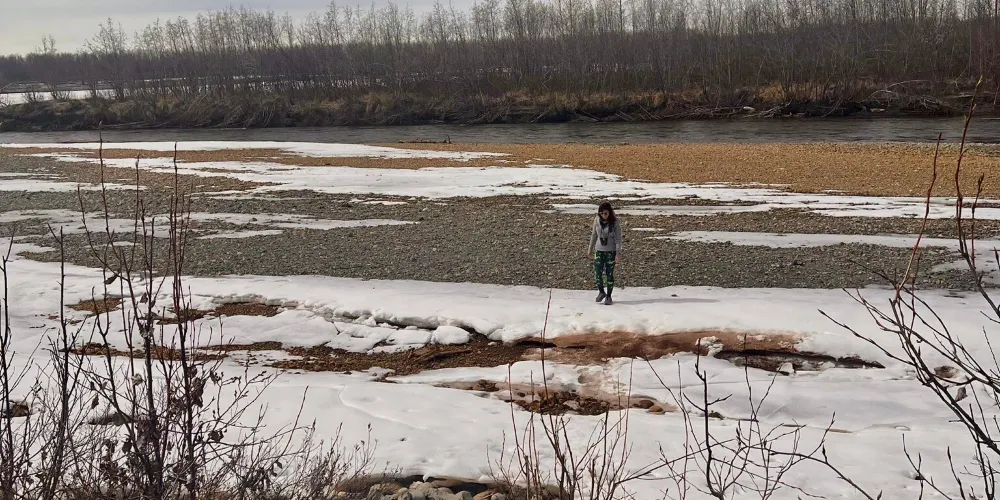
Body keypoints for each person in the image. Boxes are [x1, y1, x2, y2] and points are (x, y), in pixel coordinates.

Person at [587, 201, 622, 305]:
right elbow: (594, 235)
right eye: (601, 213)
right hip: (599, 250)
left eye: (605, 213)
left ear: (609, 213)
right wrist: (590, 250)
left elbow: (618, 239)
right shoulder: (596, 220)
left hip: (610, 251)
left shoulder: (615, 223)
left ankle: (609, 296)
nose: (603, 215)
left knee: (609, 274)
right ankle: (601, 291)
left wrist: (618, 253)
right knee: (597, 272)